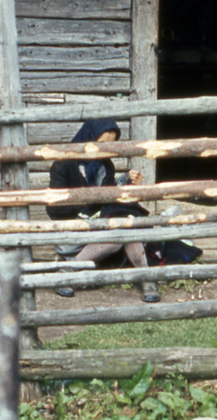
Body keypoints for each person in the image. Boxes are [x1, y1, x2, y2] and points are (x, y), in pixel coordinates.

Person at [46, 118, 158, 303]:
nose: (105, 148)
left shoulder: (106, 166)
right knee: (115, 236)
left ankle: (147, 279)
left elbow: (107, 197)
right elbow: (53, 209)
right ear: (88, 137)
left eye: (110, 145)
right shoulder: (64, 164)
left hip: (97, 227)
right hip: (71, 229)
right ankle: (67, 273)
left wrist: (125, 183)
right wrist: (88, 204)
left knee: (125, 225)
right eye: (101, 143)